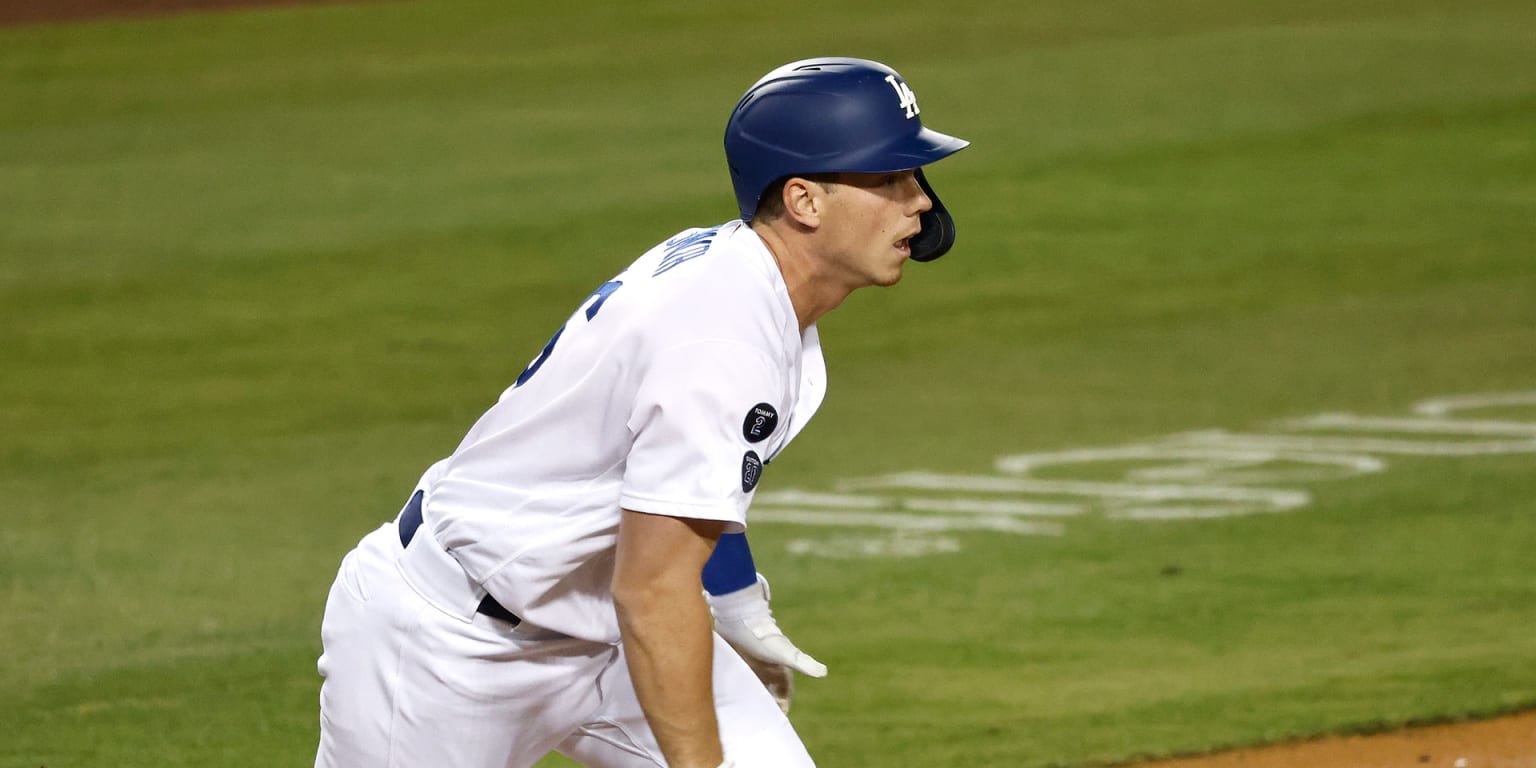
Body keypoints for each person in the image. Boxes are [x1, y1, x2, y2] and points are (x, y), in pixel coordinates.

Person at [313, 56, 969, 768]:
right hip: (451, 644)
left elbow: (679, 484)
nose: (921, 202)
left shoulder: (752, 281)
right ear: (805, 201)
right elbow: (653, 589)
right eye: (889, 180)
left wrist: (737, 602)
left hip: (604, 630)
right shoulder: (724, 337)